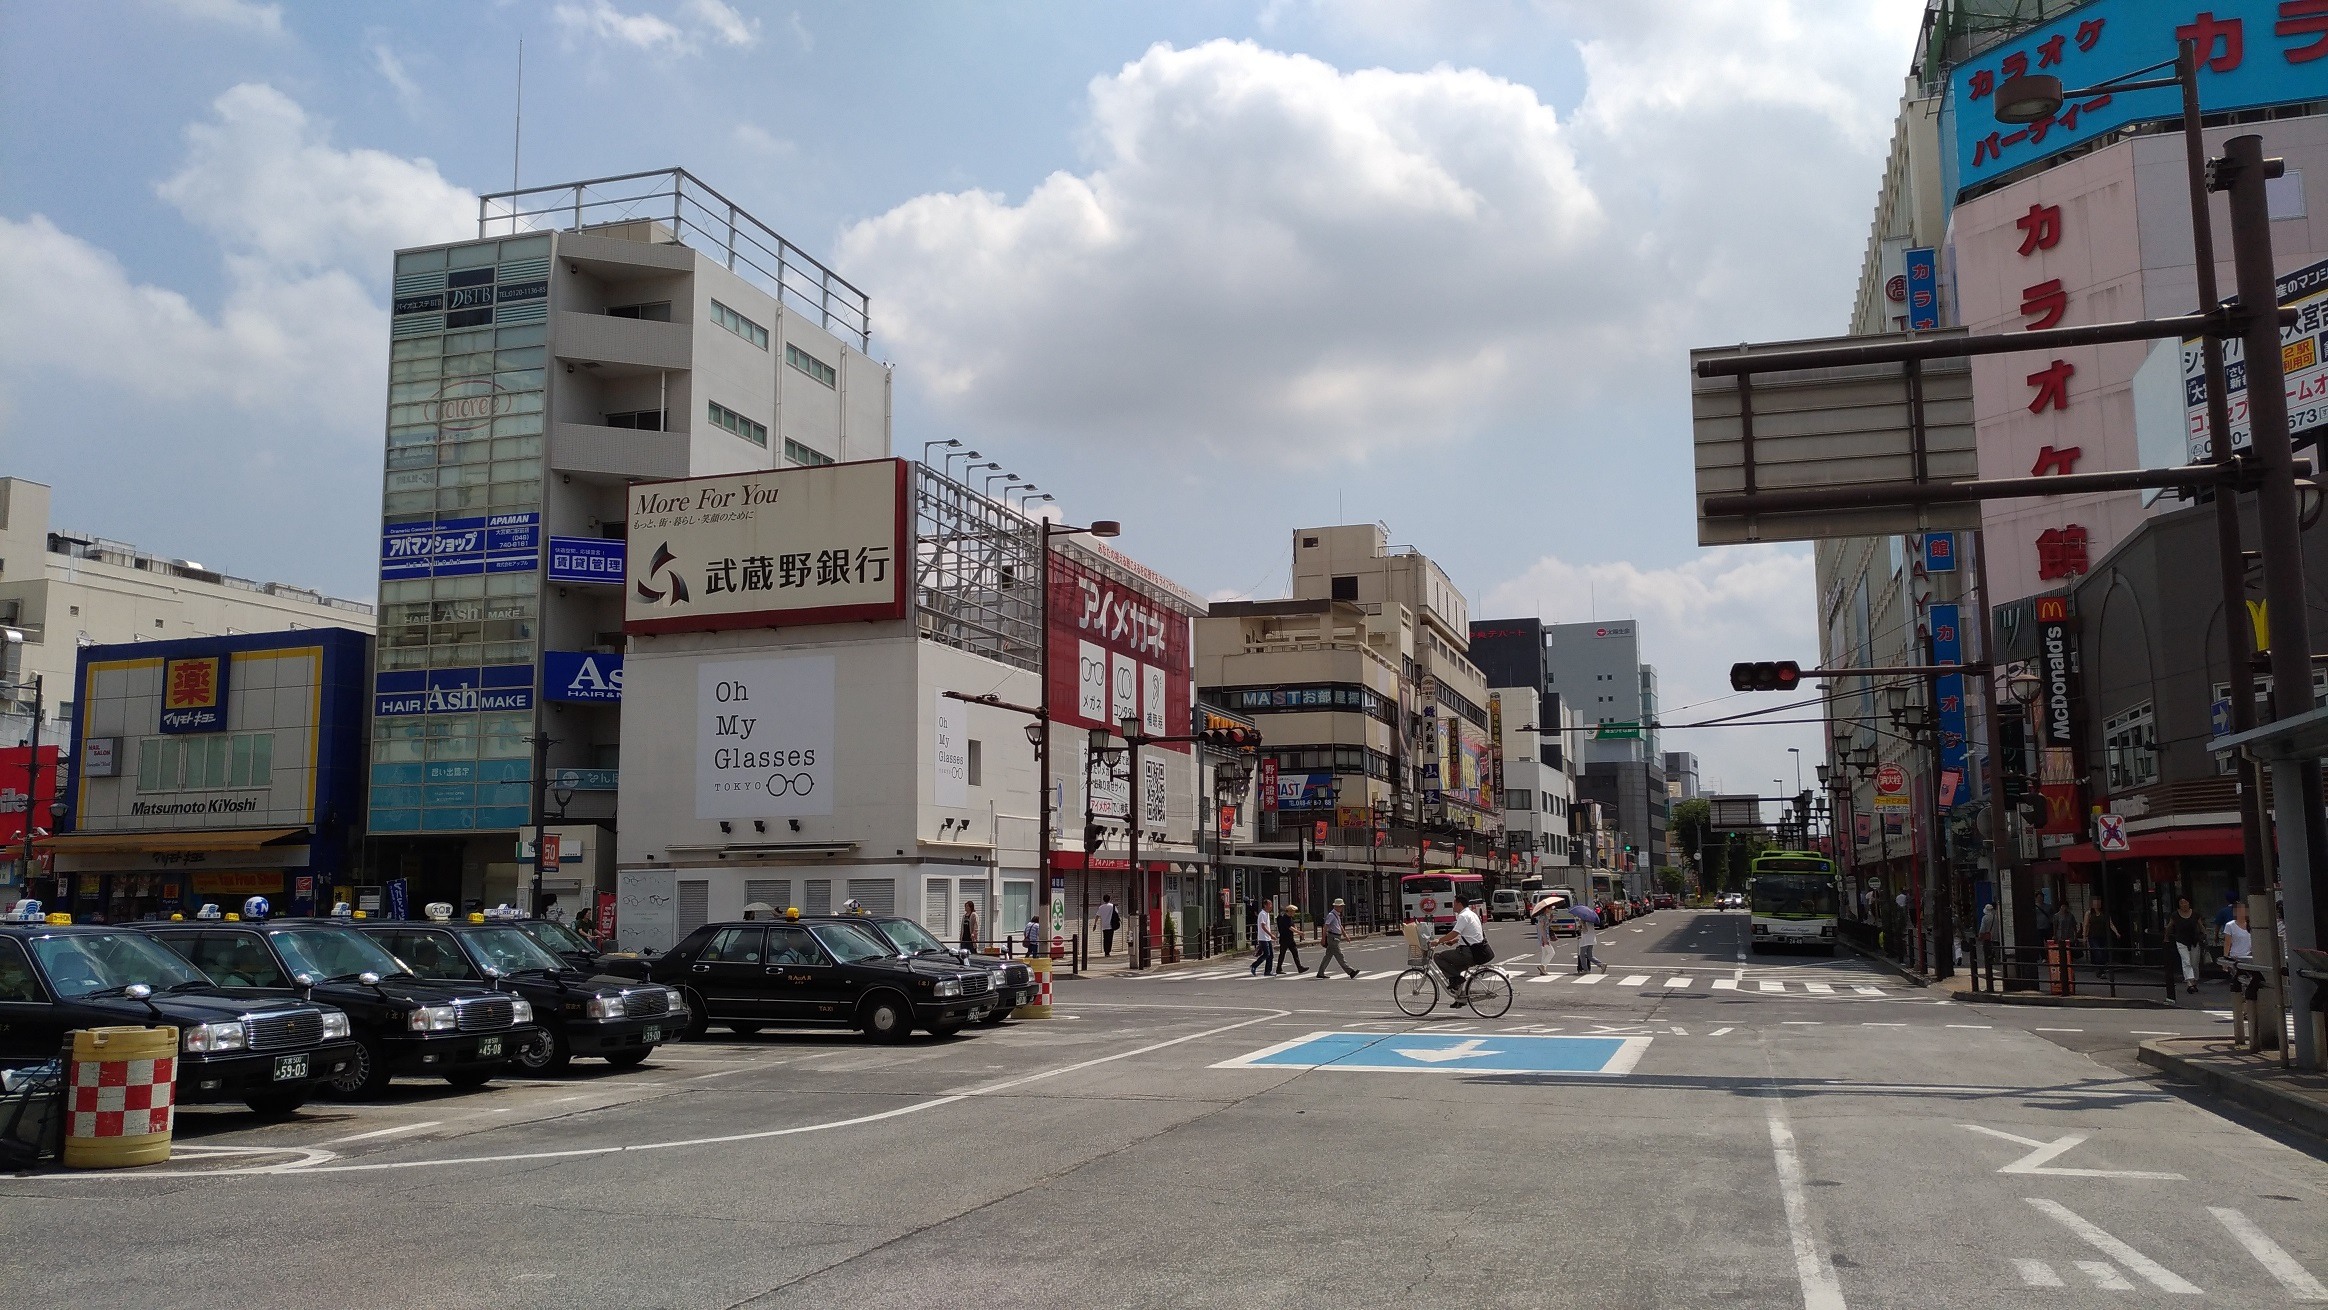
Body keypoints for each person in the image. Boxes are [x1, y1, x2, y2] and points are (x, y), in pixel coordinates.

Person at [1432, 893, 1489, 1005]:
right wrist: (1454, 941)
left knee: (1438, 957)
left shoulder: (1463, 916)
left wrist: (1438, 940)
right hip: (1476, 951)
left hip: (1467, 953)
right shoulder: (1472, 914)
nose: (1453, 906)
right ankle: (1460, 997)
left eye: (1454, 904)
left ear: (1459, 904)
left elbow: (1454, 932)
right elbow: (1470, 935)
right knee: (1455, 969)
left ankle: (1457, 980)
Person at [2167, 896, 2205, 995]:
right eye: (2181, 903)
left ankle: (2194, 980)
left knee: (2194, 963)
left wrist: (2204, 935)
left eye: (2185, 902)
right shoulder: (2175, 915)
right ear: (2178, 904)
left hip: (2194, 940)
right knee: (2186, 961)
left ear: (2189, 903)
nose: (2184, 904)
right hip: (2181, 940)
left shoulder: (2195, 914)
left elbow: (2200, 925)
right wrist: (2166, 937)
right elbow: (2170, 926)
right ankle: (2189, 983)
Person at [1314, 898, 1358, 979]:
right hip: (1333, 937)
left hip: (1335, 937)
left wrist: (1345, 935)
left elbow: (1340, 926)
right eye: (1340, 906)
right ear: (1336, 906)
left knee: (1328, 956)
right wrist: (1323, 938)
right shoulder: (1331, 915)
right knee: (1339, 955)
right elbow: (1325, 926)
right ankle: (1350, 971)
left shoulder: (1336, 915)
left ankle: (1320, 972)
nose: (1342, 908)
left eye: (1342, 906)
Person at [2220, 901, 2254, 981]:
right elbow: (2227, 943)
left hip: (2249, 956)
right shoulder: (2230, 925)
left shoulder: (2251, 924)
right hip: (2236, 957)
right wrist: (2225, 960)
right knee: (2238, 979)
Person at [1531, 897, 1561, 976]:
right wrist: (1545, 939)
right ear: (1546, 909)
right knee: (1551, 952)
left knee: (1544, 953)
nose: (1551, 910)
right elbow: (1542, 928)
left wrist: (1550, 919)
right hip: (1543, 938)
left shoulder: (1544, 916)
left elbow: (1546, 926)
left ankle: (1543, 969)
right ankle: (1542, 966)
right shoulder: (1542, 917)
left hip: (1543, 937)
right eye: (1550, 908)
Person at [1249, 898, 1276, 977]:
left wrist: (1270, 935)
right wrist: (1271, 935)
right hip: (1263, 937)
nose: (1271, 906)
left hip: (1267, 938)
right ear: (1265, 905)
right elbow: (1263, 926)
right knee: (1267, 954)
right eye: (1269, 904)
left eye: (1271, 904)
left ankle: (1268, 971)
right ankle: (1254, 966)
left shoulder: (1267, 914)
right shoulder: (1262, 914)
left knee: (1271, 955)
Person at [1277, 903, 1305, 975]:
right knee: (1282, 954)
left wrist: (1296, 928)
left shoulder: (1290, 918)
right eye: (1293, 911)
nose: (1294, 913)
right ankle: (1278, 968)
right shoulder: (1284, 918)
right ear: (1290, 911)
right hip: (1284, 939)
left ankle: (1299, 967)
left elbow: (1293, 926)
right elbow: (1290, 927)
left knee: (1295, 953)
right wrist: (1299, 932)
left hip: (1290, 939)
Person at [1575, 910, 1605, 975]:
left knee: (1582, 955)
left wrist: (1580, 927)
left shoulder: (1583, 921)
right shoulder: (1591, 921)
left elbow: (1585, 930)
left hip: (1585, 940)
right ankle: (1601, 964)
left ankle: (1585, 969)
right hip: (1591, 939)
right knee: (1590, 956)